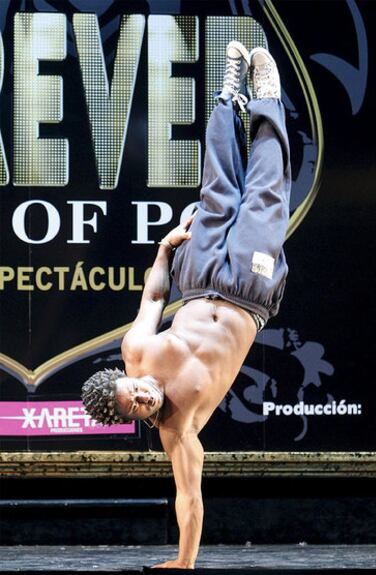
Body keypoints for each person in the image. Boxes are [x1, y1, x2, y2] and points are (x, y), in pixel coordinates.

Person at [81, 41, 291, 569]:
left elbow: (155, 295)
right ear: (140, 419)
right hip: (247, 290)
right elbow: (189, 501)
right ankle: (268, 100)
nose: (145, 398)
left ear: (125, 377)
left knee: (219, 188)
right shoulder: (180, 431)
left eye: (134, 392)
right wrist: (184, 563)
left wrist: (164, 247)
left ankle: (227, 97)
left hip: (196, 280)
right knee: (266, 196)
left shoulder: (138, 348)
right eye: (139, 408)